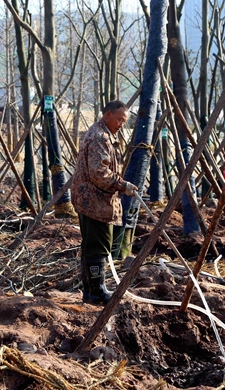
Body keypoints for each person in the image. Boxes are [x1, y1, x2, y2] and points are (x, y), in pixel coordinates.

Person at [71, 100, 138, 304]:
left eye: (124, 121)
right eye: (119, 119)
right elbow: (99, 173)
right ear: (108, 115)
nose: (121, 125)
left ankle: (90, 290)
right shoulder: (100, 137)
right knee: (98, 246)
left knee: (93, 245)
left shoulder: (106, 135)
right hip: (94, 201)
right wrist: (122, 185)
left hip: (95, 200)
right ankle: (96, 291)